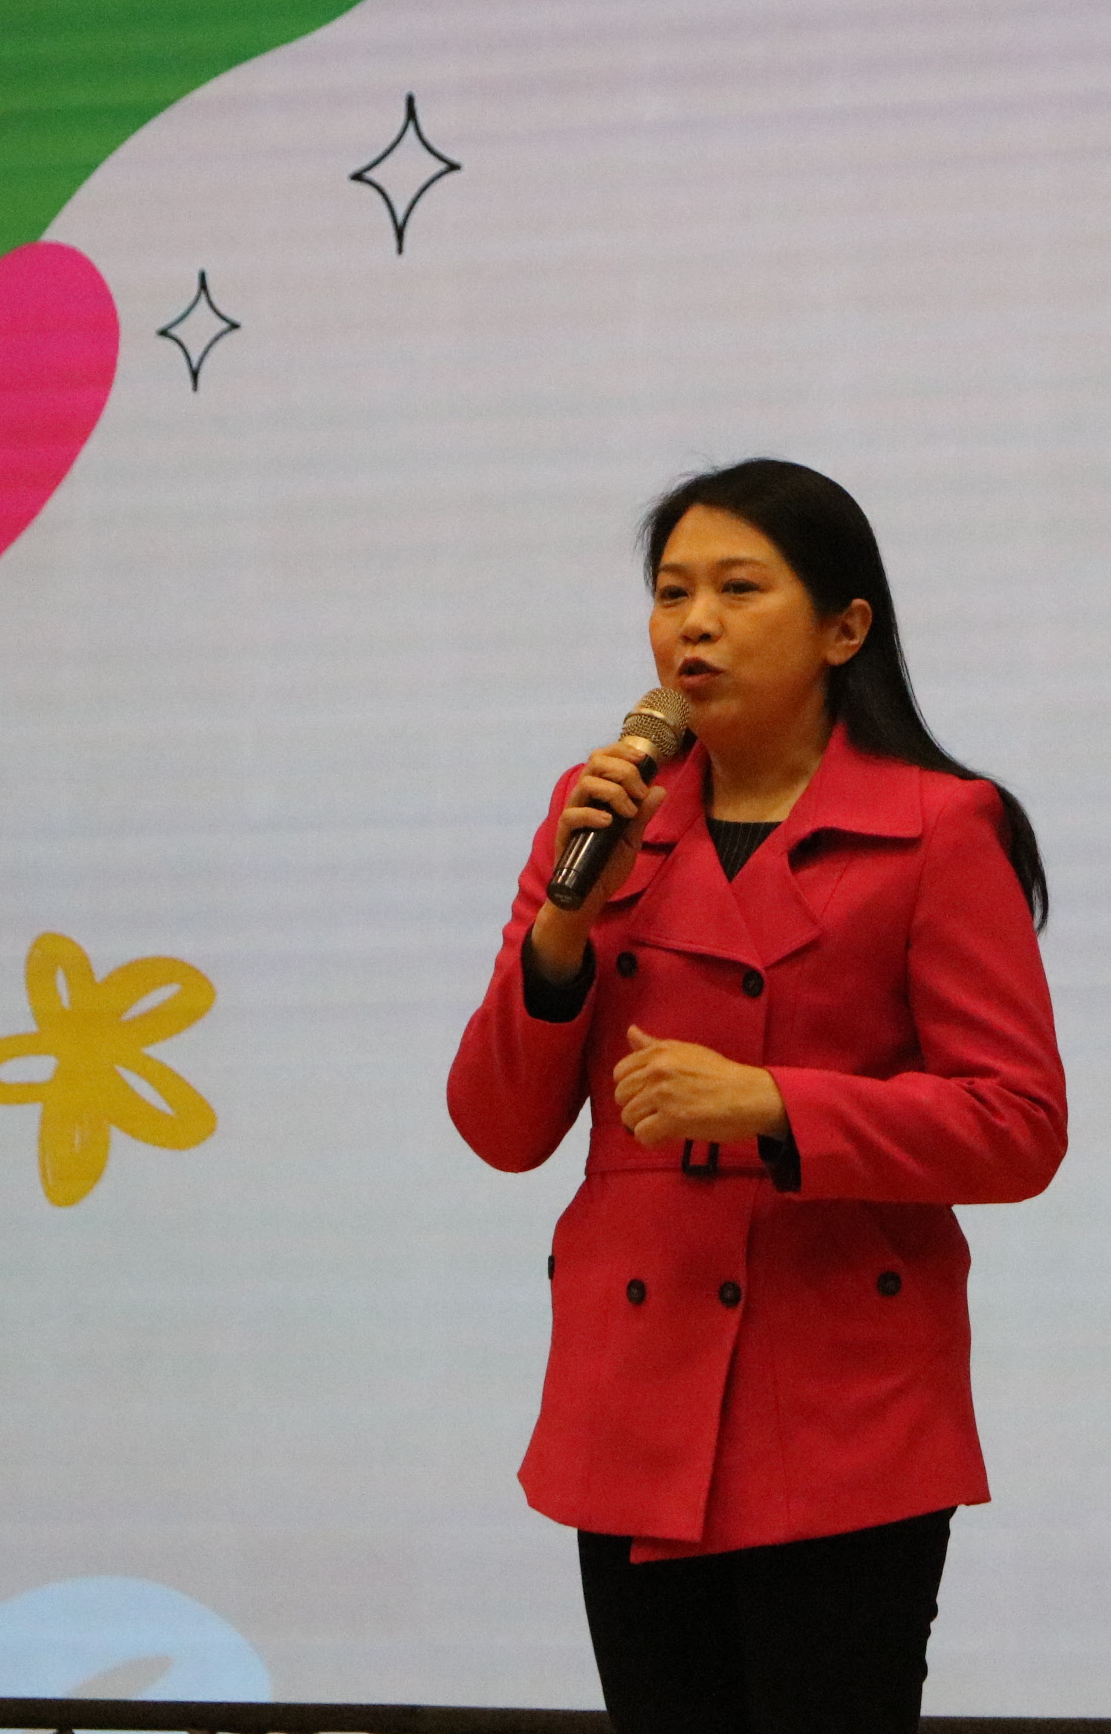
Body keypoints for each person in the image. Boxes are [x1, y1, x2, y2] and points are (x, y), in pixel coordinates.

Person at [448, 459, 1068, 1734]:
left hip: (840, 1400)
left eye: (739, 589)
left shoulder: (940, 826)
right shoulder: (602, 812)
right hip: (635, 1383)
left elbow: (1017, 1124)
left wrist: (776, 1103)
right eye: (672, 592)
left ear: (846, 627)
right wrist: (561, 928)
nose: (695, 624)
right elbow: (499, 1127)